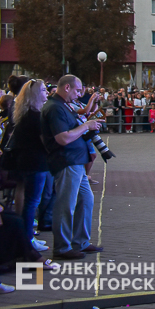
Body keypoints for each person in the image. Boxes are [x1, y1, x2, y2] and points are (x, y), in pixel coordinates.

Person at [40, 75, 104, 260]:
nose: (78, 94)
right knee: (65, 204)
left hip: (75, 160)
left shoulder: (63, 105)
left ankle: (80, 241)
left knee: (86, 199)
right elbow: (62, 138)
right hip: (66, 160)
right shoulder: (55, 108)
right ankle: (62, 247)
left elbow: (73, 127)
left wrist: (87, 126)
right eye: (77, 90)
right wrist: (86, 126)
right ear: (67, 87)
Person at [8, 79, 51, 252]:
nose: (47, 92)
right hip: (36, 162)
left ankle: (28, 238)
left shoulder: (24, 114)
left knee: (30, 201)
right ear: (36, 94)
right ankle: (27, 240)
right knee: (32, 202)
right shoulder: (36, 116)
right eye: (43, 90)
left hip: (27, 161)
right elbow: (46, 142)